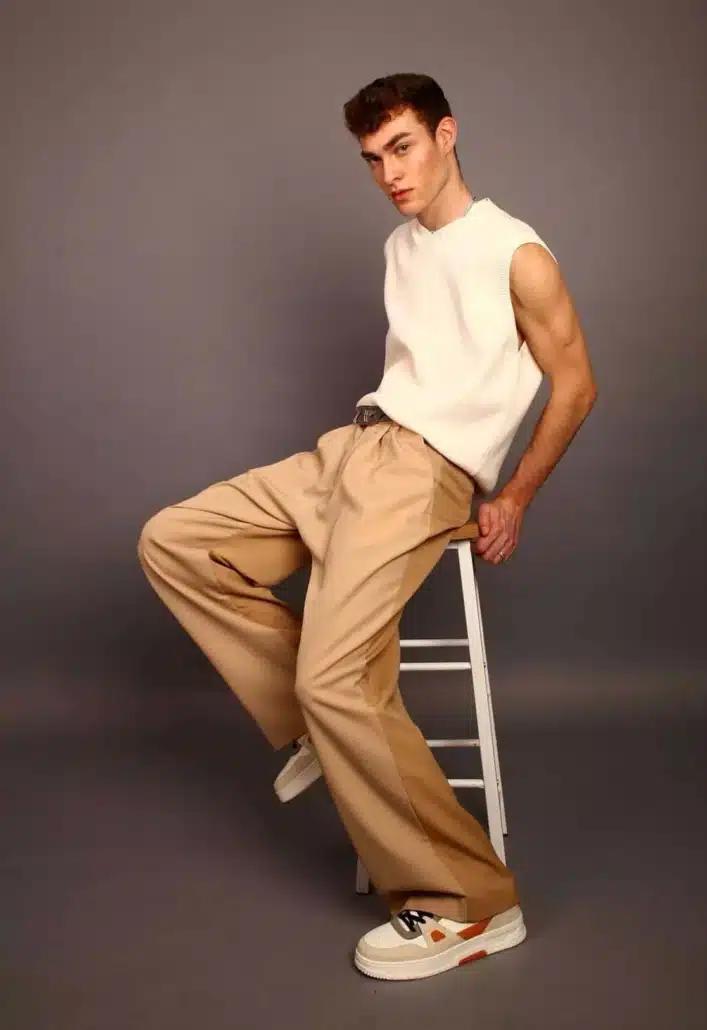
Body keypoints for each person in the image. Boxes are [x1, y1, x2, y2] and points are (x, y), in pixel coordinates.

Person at [137, 72, 596, 981]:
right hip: (354, 447)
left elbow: (576, 383)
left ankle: (469, 905)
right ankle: (312, 725)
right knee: (176, 541)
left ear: (446, 134)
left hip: (423, 472)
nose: (390, 173)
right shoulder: (400, 245)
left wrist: (513, 497)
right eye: (372, 158)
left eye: (403, 148)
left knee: (336, 677)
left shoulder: (516, 253)